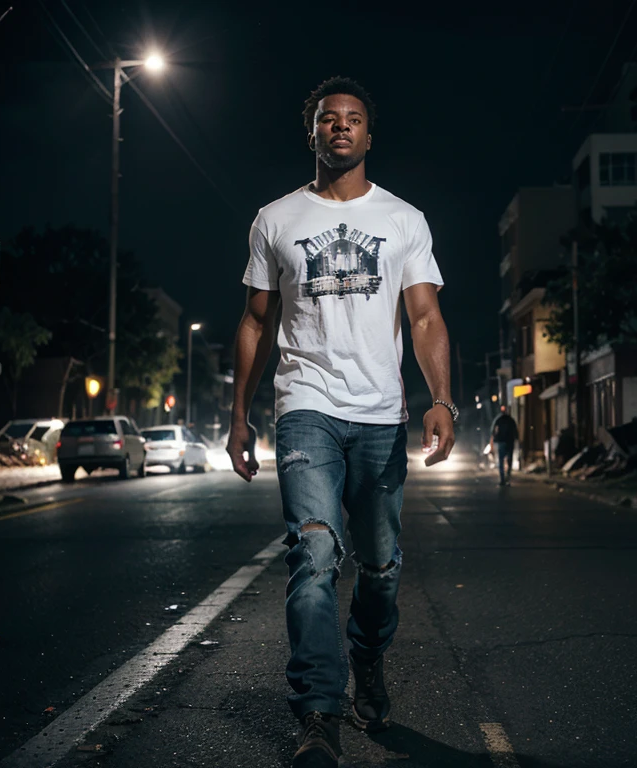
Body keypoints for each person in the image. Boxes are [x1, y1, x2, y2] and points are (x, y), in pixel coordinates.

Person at [226, 76, 457, 768]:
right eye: (329, 119)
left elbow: (423, 316)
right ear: (313, 132)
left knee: (380, 569)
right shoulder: (275, 219)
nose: (340, 128)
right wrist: (239, 414)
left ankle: (368, 660)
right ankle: (318, 714)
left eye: (353, 119)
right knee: (316, 554)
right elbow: (256, 322)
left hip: (382, 416)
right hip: (306, 409)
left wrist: (440, 397)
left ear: (368, 134)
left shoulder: (403, 220)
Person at [490, 405, 518, 486]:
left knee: (501, 461)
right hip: (509, 441)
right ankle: (507, 478)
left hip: (502, 441)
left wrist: (494, 437)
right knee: (509, 460)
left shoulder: (499, 419)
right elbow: (515, 430)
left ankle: (503, 479)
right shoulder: (510, 420)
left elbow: (493, 430)